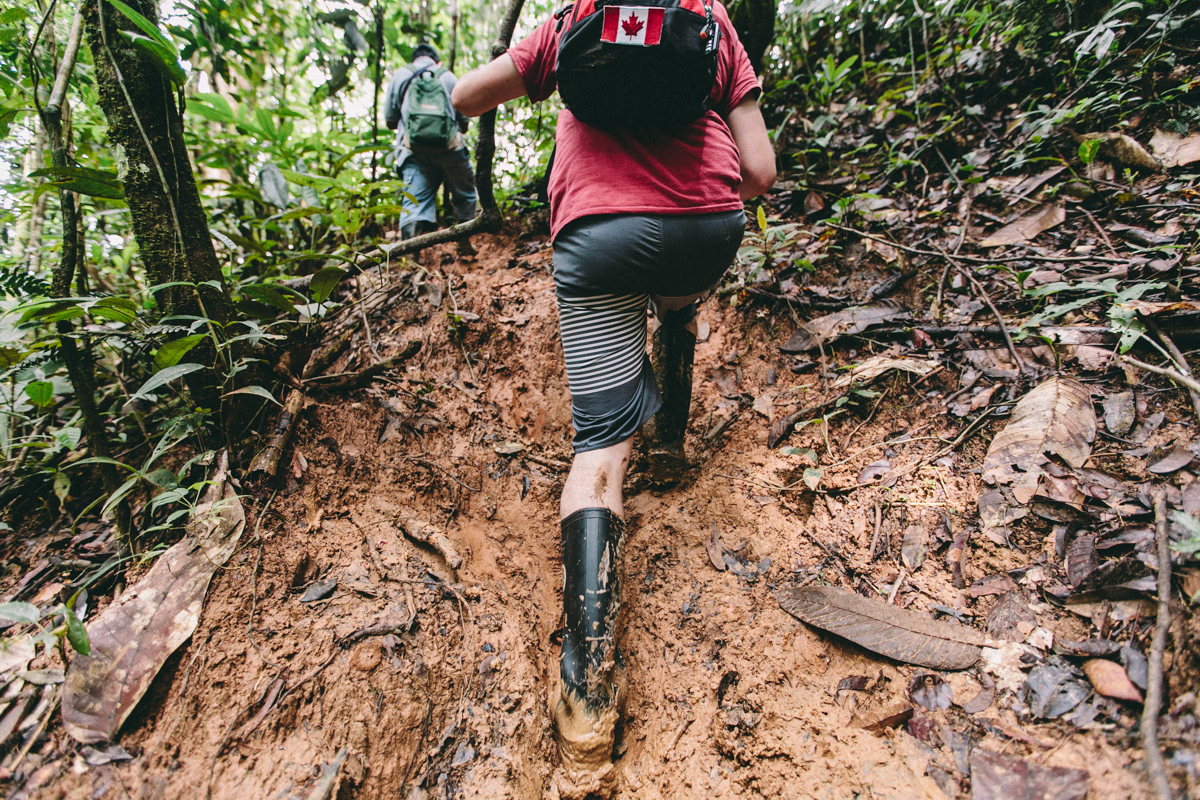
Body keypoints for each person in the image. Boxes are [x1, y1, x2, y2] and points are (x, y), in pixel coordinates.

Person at [452, 3, 774, 791]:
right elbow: (760, 172)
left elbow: (463, 97)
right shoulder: (711, 20)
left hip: (599, 237)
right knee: (675, 298)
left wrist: (544, 73)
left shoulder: (575, 21)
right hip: (706, 229)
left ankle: (586, 703)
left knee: (597, 454)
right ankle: (670, 426)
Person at [384, 43, 478, 252]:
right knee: (465, 194)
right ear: (437, 60)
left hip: (414, 151)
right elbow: (463, 122)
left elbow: (390, 120)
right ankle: (464, 242)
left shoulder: (401, 75)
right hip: (451, 148)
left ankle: (411, 255)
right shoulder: (448, 76)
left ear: (414, 60)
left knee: (414, 201)